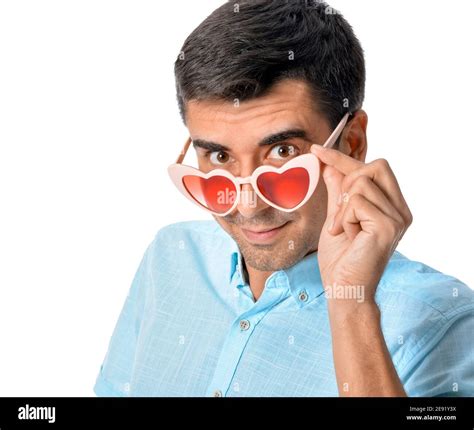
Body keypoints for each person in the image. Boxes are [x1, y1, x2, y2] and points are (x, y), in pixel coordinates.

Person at [94, 0, 473, 397]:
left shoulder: (445, 323)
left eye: (283, 153)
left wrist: (351, 307)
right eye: (220, 157)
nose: (249, 206)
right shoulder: (170, 255)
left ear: (352, 142)